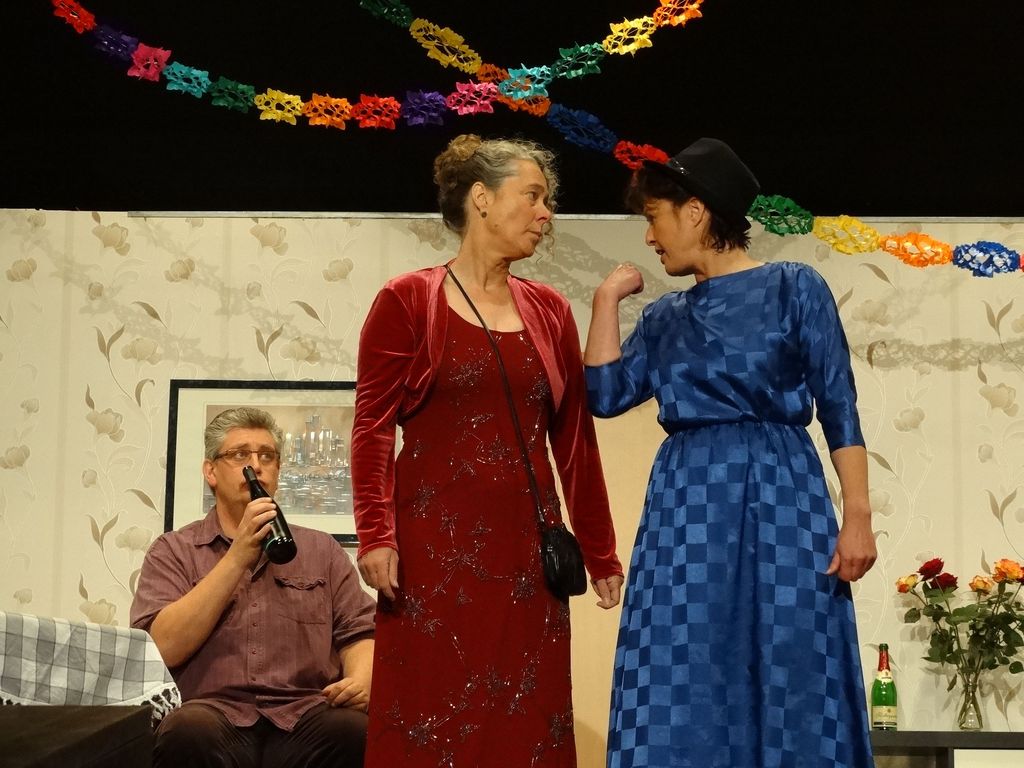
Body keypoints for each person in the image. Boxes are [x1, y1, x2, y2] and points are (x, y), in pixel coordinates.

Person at [584, 138, 877, 768]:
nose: (649, 238)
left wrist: (857, 515)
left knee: (792, 649)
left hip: (782, 491)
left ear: (695, 212)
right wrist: (605, 300)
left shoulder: (793, 287)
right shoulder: (665, 318)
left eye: (654, 218)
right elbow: (605, 395)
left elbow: (839, 405)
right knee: (681, 653)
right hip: (687, 503)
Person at [352, 133, 624, 767]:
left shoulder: (550, 310)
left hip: (529, 554)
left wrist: (601, 550)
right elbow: (372, 428)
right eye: (532, 196)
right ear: (481, 198)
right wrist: (375, 535)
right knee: (432, 714)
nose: (545, 214)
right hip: (432, 554)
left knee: (523, 721)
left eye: (547, 201)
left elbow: (575, 441)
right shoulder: (407, 299)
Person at [131, 407, 375, 768]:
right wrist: (236, 558)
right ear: (211, 471)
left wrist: (361, 681)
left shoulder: (322, 550)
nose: (256, 465)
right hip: (212, 712)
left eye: (267, 456)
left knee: (355, 731)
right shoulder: (173, 551)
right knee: (186, 731)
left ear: (277, 471)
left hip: (306, 711)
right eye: (239, 454)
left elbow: (359, 631)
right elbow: (161, 648)